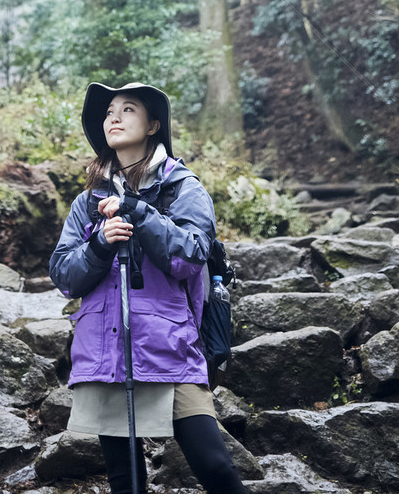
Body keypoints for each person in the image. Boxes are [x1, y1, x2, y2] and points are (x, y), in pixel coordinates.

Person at [49, 81, 251, 494]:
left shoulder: (182, 187)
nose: (114, 118)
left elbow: (190, 255)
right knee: (126, 481)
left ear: (154, 124)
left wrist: (138, 212)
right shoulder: (88, 201)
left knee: (216, 469)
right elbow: (63, 275)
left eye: (128, 109)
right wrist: (100, 245)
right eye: (108, 112)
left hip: (170, 347)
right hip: (106, 353)